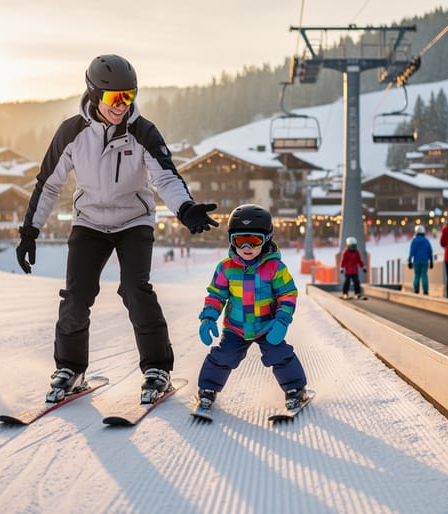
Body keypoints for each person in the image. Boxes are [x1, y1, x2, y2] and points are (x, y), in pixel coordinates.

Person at [15, 54, 219, 404]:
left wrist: (185, 209)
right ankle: (71, 368)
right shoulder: (71, 132)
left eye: (130, 96)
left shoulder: (143, 132)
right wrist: (29, 232)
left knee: (134, 290)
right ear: (94, 95)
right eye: (114, 98)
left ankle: (157, 369)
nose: (122, 105)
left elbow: (165, 177)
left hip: (133, 220)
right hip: (90, 222)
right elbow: (49, 184)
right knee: (76, 296)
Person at [194, 204, 309, 411]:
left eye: (254, 240)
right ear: (231, 240)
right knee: (223, 357)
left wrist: (282, 319)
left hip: (267, 326)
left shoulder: (275, 268)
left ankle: (296, 390)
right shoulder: (226, 268)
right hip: (236, 328)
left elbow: (287, 294)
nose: (246, 247)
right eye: (239, 240)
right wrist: (208, 317)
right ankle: (207, 390)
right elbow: (216, 295)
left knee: (279, 355)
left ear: (267, 239)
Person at [407, 225, 433, 295]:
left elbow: (411, 252)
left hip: (416, 261)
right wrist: (431, 261)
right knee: (424, 275)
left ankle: (416, 290)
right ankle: (425, 290)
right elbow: (430, 251)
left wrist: (409, 261)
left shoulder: (414, 241)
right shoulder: (426, 241)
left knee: (417, 275)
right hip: (425, 261)